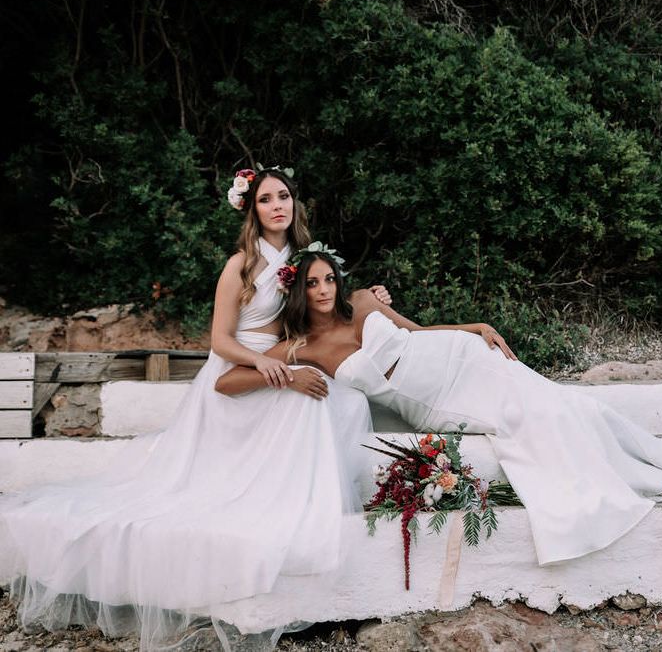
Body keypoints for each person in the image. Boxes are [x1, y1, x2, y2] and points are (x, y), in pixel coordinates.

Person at [0, 168, 391, 650]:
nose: (277, 206)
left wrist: (370, 298)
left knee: (342, 399)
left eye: (284, 196)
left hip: (282, 359)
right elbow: (219, 340)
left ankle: (300, 497)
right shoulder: (241, 264)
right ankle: (274, 506)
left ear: (295, 204)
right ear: (252, 210)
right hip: (241, 368)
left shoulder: (302, 259)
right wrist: (264, 363)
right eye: (266, 199)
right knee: (301, 400)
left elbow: (322, 300)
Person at [216, 250, 662, 567]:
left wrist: (471, 328)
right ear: (297, 290)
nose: (324, 290)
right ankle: (657, 481)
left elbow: (414, 332)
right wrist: (288, 375)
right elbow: (226, 381)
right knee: (543, 420)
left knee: (570, 404)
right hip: (438, 405)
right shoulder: (305, 345)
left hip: (462, 360)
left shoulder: (363, 301)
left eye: (329, 279)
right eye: (313, 284)